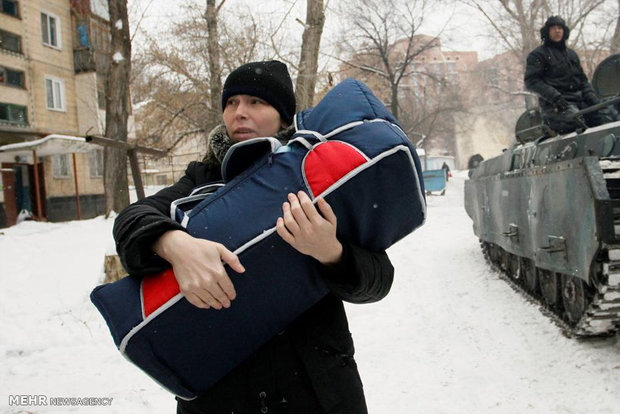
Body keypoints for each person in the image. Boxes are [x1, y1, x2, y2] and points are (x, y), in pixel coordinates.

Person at [113, 60, 394, 414]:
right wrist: (173, 243)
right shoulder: (203, 178)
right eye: (231, 103)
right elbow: (131, 220)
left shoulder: (317, 176)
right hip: (222, 396)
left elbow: (379, 280)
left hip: (318, 390)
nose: (239, 113)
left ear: (283, 116)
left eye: (255, 102)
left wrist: (332, 252)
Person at [524, 15, 613, 134]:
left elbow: (582, 80)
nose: (557, 31)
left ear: (564, 31)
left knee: (606, 116)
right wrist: (555, 97)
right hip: (556, 106)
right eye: (553, 28)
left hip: (580, 101)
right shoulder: (538, 55)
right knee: (575, 123)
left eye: (560, 27)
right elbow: (532, 82)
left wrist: (592, 98)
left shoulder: (571, 55)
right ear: (547, 32)